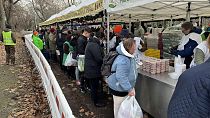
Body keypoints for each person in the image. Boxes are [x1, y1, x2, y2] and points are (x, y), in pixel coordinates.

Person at [106, 38, 137, 118]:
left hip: (121, 87)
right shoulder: (124, 60)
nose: (135, 48)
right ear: (129, 48)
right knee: (119, 108)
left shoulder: (127, 57)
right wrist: (129, 89)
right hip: (119, 88)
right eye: (134, 46)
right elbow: (121, 77)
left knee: (121, 108)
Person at [84, 32, 105, 107]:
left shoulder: (91, 43)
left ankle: (95, 99)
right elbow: (98, 58)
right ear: (99, 38)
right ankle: (96, 102)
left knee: (94, 86)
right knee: (94, 86)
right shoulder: (94, 45)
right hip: (93, 70)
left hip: (91, 69)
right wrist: (104, 61)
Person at [77, 27, 92, 93]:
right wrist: (87, 53)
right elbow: (80, 50)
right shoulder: (81, 39)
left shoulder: (83, 38)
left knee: (84, 73)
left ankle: (86, 86)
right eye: (89, 34)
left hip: (84, 58)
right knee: (82, 74)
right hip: (82, 58)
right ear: (86, 33)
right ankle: (82, 87)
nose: (89, 35)